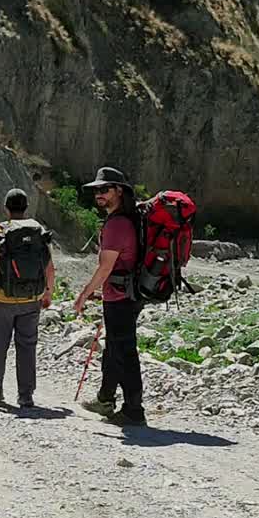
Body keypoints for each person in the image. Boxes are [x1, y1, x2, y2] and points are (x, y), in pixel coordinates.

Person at [74, 167, 146, 427]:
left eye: (104, 189)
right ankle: (105, 399)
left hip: (120, 297)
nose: (98, 194)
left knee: (124, 351)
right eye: (96, 190)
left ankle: (133, 410)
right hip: (126, 293)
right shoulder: (129, 220)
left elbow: (106, 266)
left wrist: (84, 294)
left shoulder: (117, 224)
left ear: (119, 191)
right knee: (115, 348)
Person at [0, 188, 55, 408]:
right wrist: (48, 292)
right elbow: (49, 266)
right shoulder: (38, 230)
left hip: (3, 298)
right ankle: (25, 395)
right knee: (27, 346)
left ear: (6, 208)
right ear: (26, 208)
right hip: (32, 298)